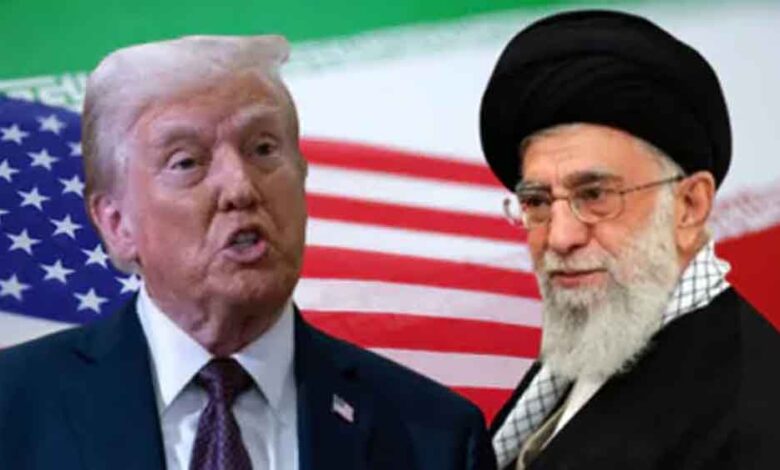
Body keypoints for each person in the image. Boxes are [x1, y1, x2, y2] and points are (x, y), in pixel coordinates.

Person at [0, 35, 496, 470]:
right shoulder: (15, 409)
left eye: (263, 149)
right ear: (116, 223)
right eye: (187, 162)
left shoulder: (435, 437)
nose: (240, 187)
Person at [479, 10, 780, 470]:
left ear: (689, 206)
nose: (560, 237)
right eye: (537, 201)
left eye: (595, 195)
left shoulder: (753, 415)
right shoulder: (603, 339)